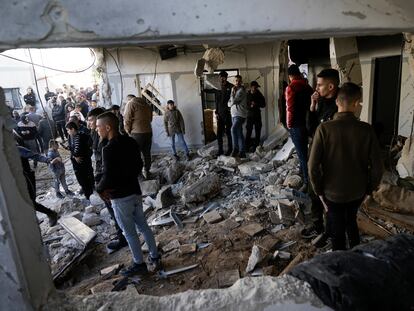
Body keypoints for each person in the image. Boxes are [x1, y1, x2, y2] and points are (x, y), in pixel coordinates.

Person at [308, 82, 384, 251]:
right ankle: (357, 254)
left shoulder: (324, 129)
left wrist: (319, 191)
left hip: (332, 193)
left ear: (337, 102)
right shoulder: (367, 130)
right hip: (357, 191)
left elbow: (312, 165)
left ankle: (341, 263)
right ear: (356, 103)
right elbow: (378, 168)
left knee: (337, 230)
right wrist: (369, 190)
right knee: (351, 220)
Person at [96, 112, 160, 277]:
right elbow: (139, 165)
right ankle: (155, 256)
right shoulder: (130, 141)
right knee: (143, 226)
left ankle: (139, 264)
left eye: (98, 126)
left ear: (108, 127)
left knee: (129, 233)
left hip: (120, 197)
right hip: (135, 191)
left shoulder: (108, 149)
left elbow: (108, 175)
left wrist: (99, 188)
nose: (97, 130)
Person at [301, 68, 340, 241]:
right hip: (315, 152)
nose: (316, 88)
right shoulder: (321, 101)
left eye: (319, 85)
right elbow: (310, 130)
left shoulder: (340, 105)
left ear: (331, 86)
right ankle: (317, 226)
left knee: (329, 196)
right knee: (313, 191)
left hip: (330, 158)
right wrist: (312, 106)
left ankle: (329, 232)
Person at [87, 107, 128, 252]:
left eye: (92, 120)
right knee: (112, 212)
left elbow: (110, 166)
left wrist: (103, 185)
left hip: (109, 182)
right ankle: (122, 235)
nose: (90, 123)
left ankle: (124, 237)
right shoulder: (95, 135)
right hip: (101, 179)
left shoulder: (109, 139)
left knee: (116, 211)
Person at [16, 139, 58, 226]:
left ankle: (51, 213)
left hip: (27, 178)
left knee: (31, 201)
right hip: (16, 181)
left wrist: (48, 160)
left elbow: (35, 156)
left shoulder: (17, 149)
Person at [285, 64, 313, 191]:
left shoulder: (291, 87)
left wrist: (289, 124)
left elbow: (289, 108)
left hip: (296, 124)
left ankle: (307, 182)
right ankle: (302, 172)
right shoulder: (308, 87)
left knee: (302, 154)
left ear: (290, 76)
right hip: (307, 124)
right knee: (304, 151)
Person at [124, 97, 153, 178]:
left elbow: (127, 119)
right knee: (147, 153)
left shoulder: (131, 103)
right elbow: (150, 119)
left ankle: (139, 175)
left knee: (135, 154)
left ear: (129, 98)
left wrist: (128, 130)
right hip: (148, 131)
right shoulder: (147, 104)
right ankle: (147, 171)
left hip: (136, 133)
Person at [65, 121, 94, 200]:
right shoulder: (71, 136)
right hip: (78, 162)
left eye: (68, 130)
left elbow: (77, 151)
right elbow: (72, 148)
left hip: (82, 162)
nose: (67, 132)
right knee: (83, 179)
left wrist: (74, 155)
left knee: (84, 179)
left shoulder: (79, 136)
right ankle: (88, 192)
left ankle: (89, 195)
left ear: (73, 129)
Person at [228, 75, 247, 158]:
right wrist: (231, 100)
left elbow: (234, 101)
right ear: (234, 81)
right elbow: (229, 103)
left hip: (240, 115)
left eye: (239, 81)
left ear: (241, 81)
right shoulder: (234, 90)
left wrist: (232, 93)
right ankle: (242, 152)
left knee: (233, 129)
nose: (237, 82)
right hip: (233, 114)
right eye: (236, 81)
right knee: (239, 133)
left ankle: (235, 148)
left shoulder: (241, 91)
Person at [215, 71, 234, 156]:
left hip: (228, 113)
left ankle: (230, 149)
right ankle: (220, 150)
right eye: (220, 77)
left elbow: (234, 99)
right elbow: (217, 101)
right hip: (220, 114)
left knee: (229, 132)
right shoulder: (218, 87)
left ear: (226, 77)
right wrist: (216, 112)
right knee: (219, 133)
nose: (222, 79)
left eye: (223, 77)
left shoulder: (231, 87)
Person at [245, 81, 266, 151]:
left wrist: (256, 103)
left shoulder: (259, 94)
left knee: (258, 131)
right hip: (249, 115)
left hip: (257, 115)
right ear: (251, 87)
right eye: (255, 87)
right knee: (249, 131)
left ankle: (256, 147)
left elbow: (263, 104)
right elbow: (244, 105)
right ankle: (246, 147)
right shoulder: (247, 94)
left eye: (256, 87)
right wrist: (250, 105)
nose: (256, 88)